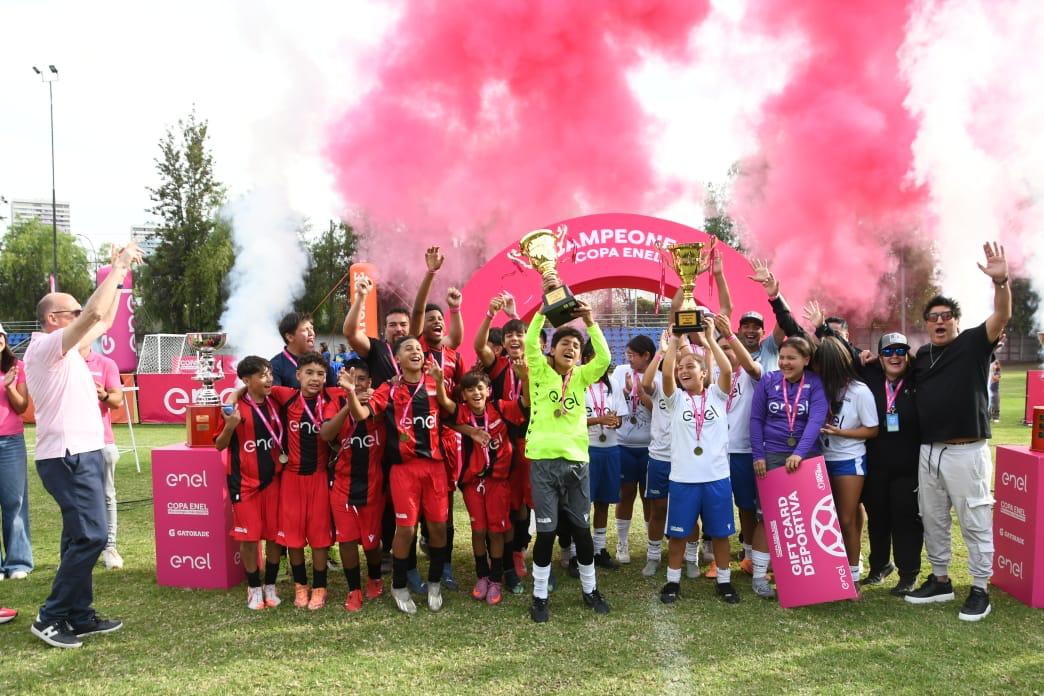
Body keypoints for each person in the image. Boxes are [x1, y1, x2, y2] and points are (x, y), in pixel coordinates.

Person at [23, 242, 141, 648]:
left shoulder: (67, 348)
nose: (81, 316)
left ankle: (79, 614)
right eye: (72, 312)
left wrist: (119, 275)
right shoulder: (43, 347)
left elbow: (102, 319)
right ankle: (51, 616)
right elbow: (94, 312)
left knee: (79, 537)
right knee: (92, 537)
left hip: (81, 452)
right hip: (67, 455)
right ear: (54, 319)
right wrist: (118, 267)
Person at [905, 242, 1011, 622]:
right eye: (932, 316)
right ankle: (940, 579)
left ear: (955, 320)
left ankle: (981, 588)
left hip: (966, 452)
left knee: (975, 519)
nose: (939, 321)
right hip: (928, 452)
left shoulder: (972, 344)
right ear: (926, 323)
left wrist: (1001, 282)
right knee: (932, 518)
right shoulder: (921, 357)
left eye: (946, 316)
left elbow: (1001, 316)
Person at [341, 336, 450, 615]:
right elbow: (363, 415)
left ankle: (435, 581)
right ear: (397, 360)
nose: (415, 352)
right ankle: (398, 584)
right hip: (404, 471)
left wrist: (440, 384)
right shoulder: (388, 389)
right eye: (407, 349)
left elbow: (451, 412)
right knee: (406, 529)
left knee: (438, 528)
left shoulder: (437, 382)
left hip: (435, 468)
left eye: (418, 348)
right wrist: (351, 393)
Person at [524, 296, 611, 623]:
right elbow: (531, 342)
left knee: (581, 530)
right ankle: (540, 595)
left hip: (577, 465)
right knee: (546, 534)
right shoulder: (540, 374)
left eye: (575, 345)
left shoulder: (582, 377)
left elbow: (603, 358)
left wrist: (590, 320)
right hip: (544, 464)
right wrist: (541, 312)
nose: (570, 348)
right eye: (564, 343)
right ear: (552, 350)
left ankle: (590, 590)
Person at [659, 319, 737, 604]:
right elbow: (667, 375)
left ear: (705, 373)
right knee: (679, 535)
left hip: (716, 477)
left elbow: (727, 368)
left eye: (690, 367)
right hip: (683, 480)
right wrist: (670, 350)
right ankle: (672, 582)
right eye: (681, 369)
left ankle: (725, 582)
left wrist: (708, 342)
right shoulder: (675, 399)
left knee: (719, 534)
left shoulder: (717, 395)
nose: (683, 371)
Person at [436, 368, 528, 606]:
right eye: (470, 389)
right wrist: (438, 382)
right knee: (478, 530)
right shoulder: (463, 413)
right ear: (463, 395)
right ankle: (482, 576)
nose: (476, 392)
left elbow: (525, 403)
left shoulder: (499, 408)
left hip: (498, 481)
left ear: (488, 390)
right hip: (472, 482)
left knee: (496, 531)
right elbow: (445, 407)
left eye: (480, 388)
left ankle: (497, 578)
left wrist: (525, 378)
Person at [749, 335, 828, 599]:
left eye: (791, 358)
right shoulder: (769, 381)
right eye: (782, 357)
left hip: (805, 457)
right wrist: (758, 455)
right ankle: (760, 576)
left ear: (806, 360)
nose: (785, 362)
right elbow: (756, 419)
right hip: (771, 456)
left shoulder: (815, 384)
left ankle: (802, 577)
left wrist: (799, 453)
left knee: (803, 517)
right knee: (768, 516)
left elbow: (816, 420)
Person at [410, 246, 466, 590]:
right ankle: (418, 562)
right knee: (414, 508)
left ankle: (443, 564)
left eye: (440, 320)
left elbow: (457, 335)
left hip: (445, 440)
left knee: (444, 506)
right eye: (431, 320)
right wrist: (430, 274)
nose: (436, 323)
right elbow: (417, 310)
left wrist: (455, 309)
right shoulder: (414, 349)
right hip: (416, 440)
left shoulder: (451, 355)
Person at [267, 352, 341, 611]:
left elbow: (361, 391)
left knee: (320, 539)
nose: (315, 379)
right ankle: (301, 586)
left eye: (320, 374)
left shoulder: (333, 396)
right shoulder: (285, 396)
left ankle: (320, 587)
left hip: (320, 478)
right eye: (309, 373)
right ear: (297, 375)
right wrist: (232, 398)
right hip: (292, 479)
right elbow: (252, 386)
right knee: (293, 538)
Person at [214, 356, 286, 611]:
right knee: (249, 538)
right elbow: (219, 445)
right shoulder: (233, 409)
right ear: (247, 380)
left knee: (276, 537)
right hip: (244, 484)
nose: (269, 379)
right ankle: (254, 587)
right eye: (263, 375)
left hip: (275, 482)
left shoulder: (276, 401)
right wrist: (230, 427)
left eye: (270, 374)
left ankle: (270, 585)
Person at [473, 293, 531, 592]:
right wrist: (490, 314)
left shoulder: (538, 363)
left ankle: (521, 551)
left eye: (519, 334)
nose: (514, 339)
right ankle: (509, 564)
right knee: (508, 506)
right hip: (502, 443)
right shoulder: (497, 366)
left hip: (531, 442)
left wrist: (516, 314)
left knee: (524, 505)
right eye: (509, 335)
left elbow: (527, 338)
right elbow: (478, 346)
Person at [320, 361, 386, 612]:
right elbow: (326, 434)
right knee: (346, 540)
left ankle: (375, 577)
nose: (356, 383)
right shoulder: (334, 402)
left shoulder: (377, 402)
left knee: (371, 543)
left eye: (361, 379)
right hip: (342, 484)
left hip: (372, 484)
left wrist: (357, 398)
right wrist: (348, 400)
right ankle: (353, 589)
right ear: (341, 378)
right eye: (351, 377)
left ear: (369, 382)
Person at [814, 336, 879, 585]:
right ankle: (829, 570)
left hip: (848, 460)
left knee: (846, 518)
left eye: (821, 366)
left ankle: (851, 576)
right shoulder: (819, 387)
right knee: (824, 519)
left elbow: (872, 429)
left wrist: (841, 433)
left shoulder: (859, 391)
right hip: (819, 460)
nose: (817, 370)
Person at [862, 332, 923, 594]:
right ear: (879, 357)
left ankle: (908, 573)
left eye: (900, 351)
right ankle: (879, 566)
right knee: (877, 517)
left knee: (905, 519)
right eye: (888, 352)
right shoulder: (869, 377)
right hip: (875, 463)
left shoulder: (918, 378)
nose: (894, 356)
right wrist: (822, 328)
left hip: (908, 466)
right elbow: (841, 353)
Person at [711, 314, 763, 579]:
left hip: (743, 451)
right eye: (721, 348)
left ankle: (749, 554)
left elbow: (753, 368)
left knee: (746, 505)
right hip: (716, 451)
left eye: (729, 347)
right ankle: (713, 556)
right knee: (716, 504)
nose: (725, 351)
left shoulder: (751, 374)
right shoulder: (712, 376)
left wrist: (730, 335)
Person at [610, 335, 656, 565]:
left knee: (649, 496)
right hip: (624, 445)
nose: (628, 359)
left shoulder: (657, 373)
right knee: (625, 493)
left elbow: (660, 409)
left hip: (650, 447)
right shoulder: (619, 372)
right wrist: (627, 393)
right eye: (627, 354)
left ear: (646, 355)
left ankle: (652, 543)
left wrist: (641, 392)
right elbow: (612, 401)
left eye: (633, 355)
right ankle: (622, 542)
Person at [583, 339, 627, 570]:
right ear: (586, 358)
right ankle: (575, 552)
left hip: (610, 449)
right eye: (595, 356)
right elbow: (569, 422)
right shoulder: (576, 381)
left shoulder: (613, 383)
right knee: (581, 504)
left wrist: (614, 422)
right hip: (585, 449)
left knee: (603, 502)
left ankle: (599, 549)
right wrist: (599, 420)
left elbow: (620, 416)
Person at [80, 344, 124, 570]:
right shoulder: (60, 362)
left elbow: (117, 401)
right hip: (71, 443)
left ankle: (110, 547)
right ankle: (79, 550)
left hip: (102, 440)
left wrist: (104, 394)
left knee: (107, 495)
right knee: (76, 500)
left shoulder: (105, 363)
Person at [0, 324, 32, 580]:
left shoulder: (16, 367)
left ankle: (18, 562)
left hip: (10, 441)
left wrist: (9, 386)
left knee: (15, 502)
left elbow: (22, 407)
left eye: (0, 336)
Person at [270, 312, 337, 389]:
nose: (312, 333)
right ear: (290, 337)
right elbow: (276, 397)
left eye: (312, 328)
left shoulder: (321, 361)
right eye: (306, 329)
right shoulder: (275, 366)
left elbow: (333, 392)